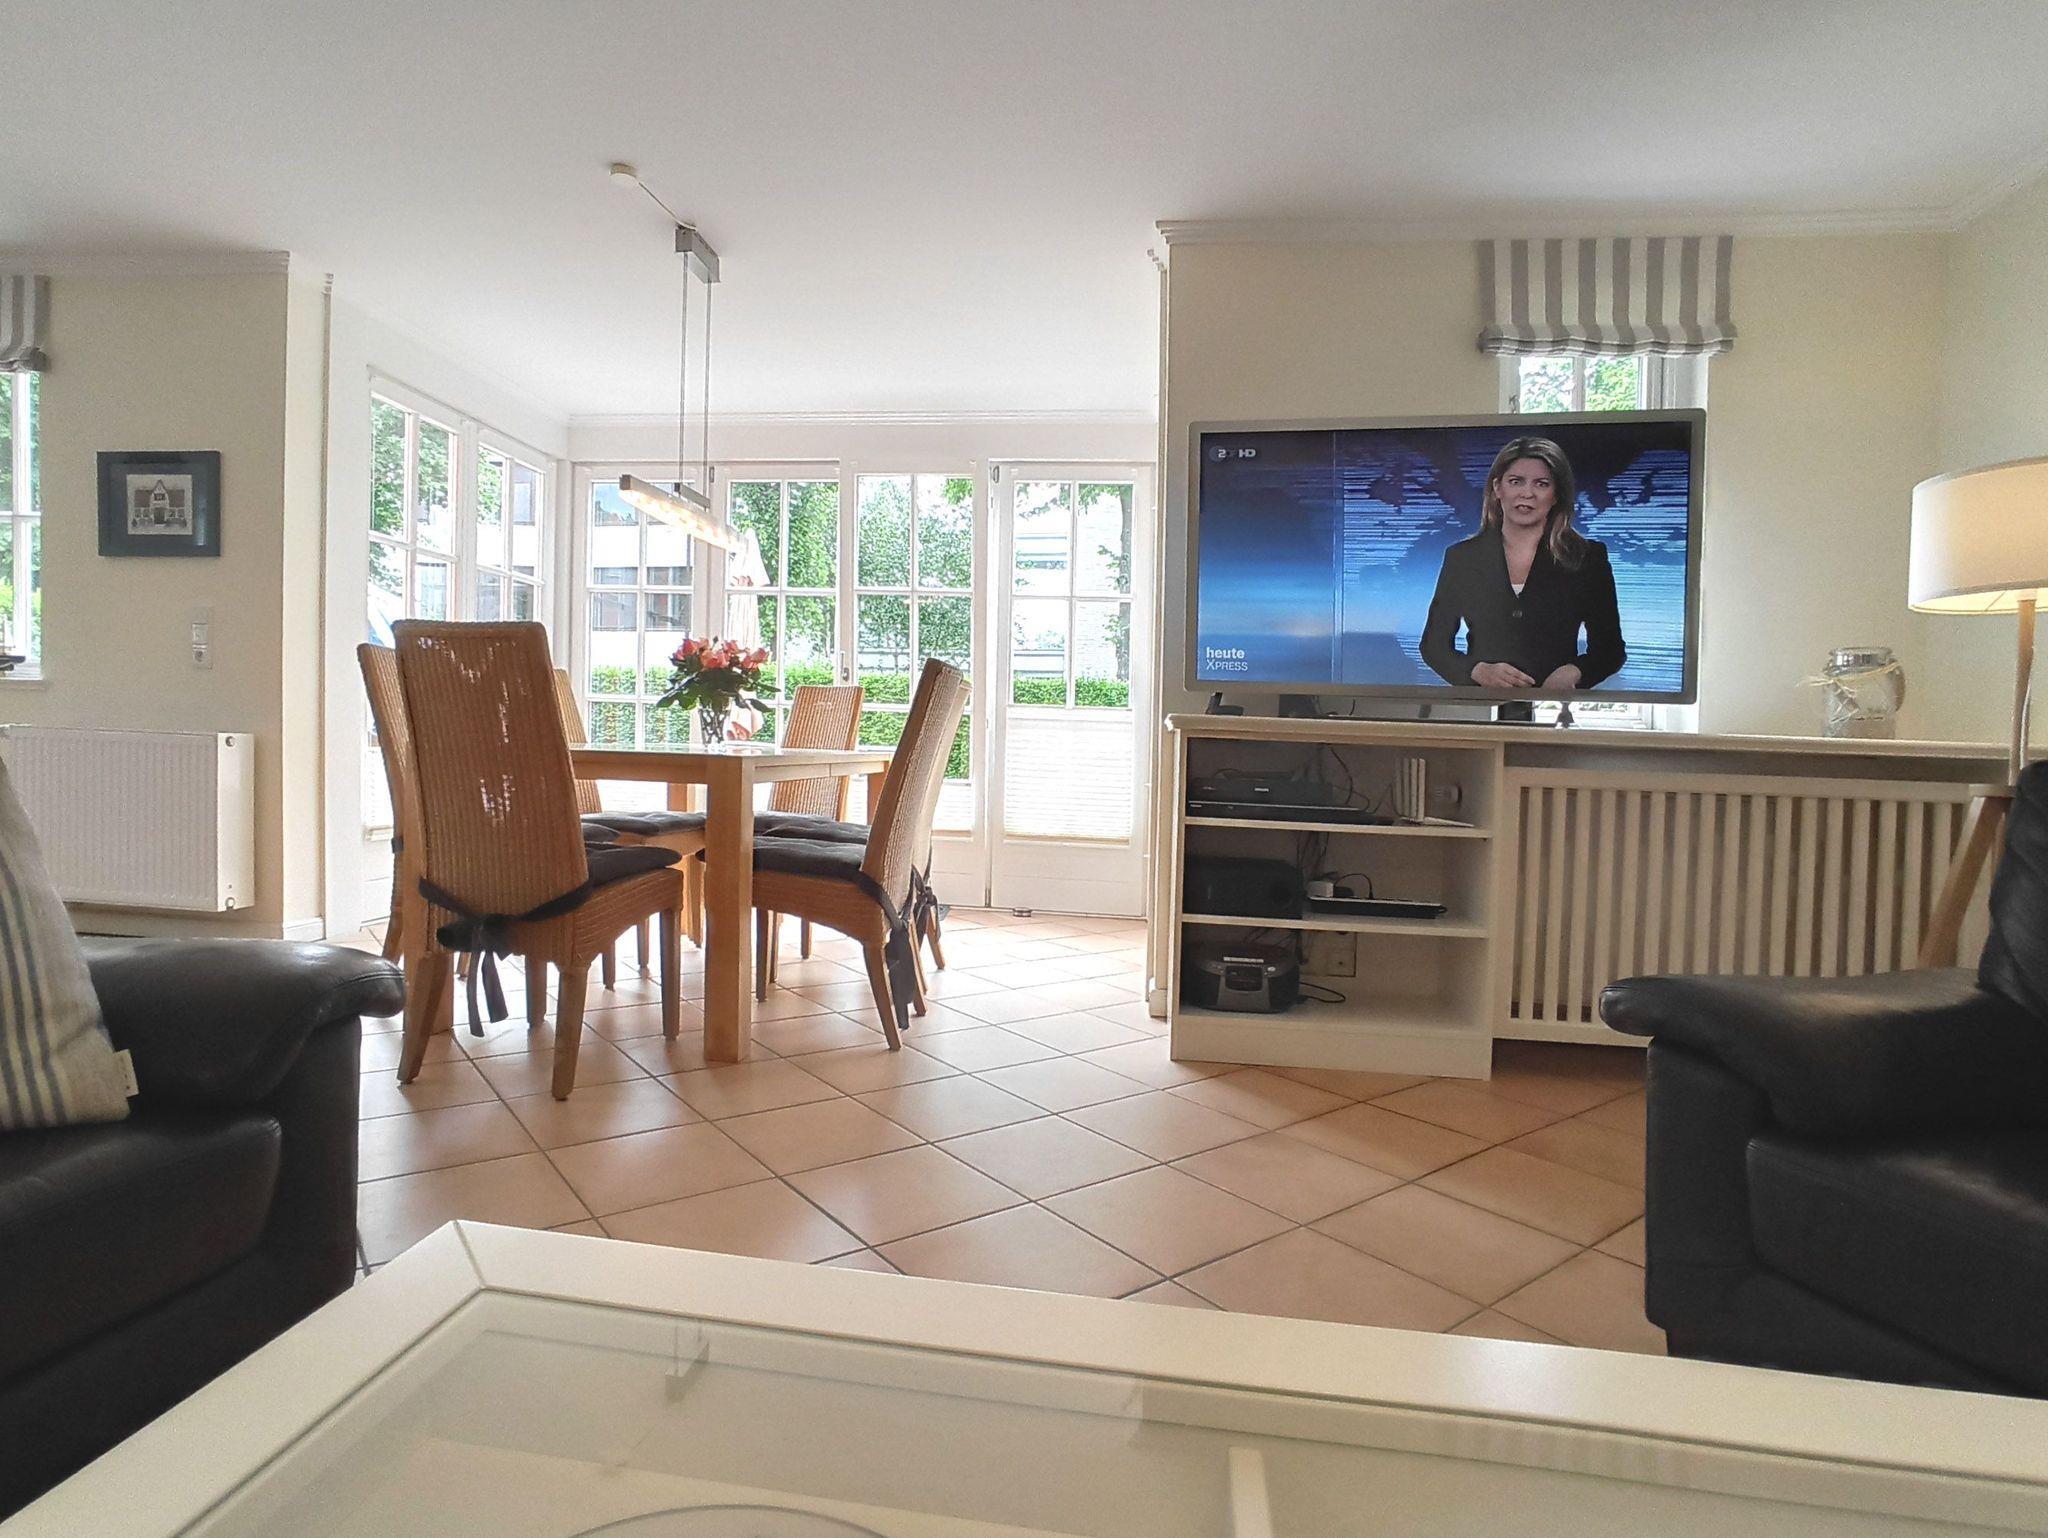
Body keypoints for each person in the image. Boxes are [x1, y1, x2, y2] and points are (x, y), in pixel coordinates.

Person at [1419, 436, 1625, 692]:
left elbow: (1610, 649)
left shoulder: (1587, 558)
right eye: (1516, 481)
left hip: (1554, 706)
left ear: (1556, 494)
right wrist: (1476, 671)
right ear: (1497, 488)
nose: (1527, 493)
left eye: (1541, 484)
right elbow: (1434, 646)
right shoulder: (1462, 558)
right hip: (1482, 705)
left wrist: (1574, 672)